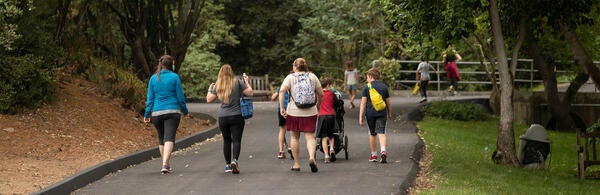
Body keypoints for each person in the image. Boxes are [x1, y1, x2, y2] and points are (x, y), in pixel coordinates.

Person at [144, 55, 190, 174]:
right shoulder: (175, 77)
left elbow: (150, 99)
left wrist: (147, 114)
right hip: (172, 111)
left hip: (157, 112)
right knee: (169, 137)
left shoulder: (153, 78)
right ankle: (165, 164)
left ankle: (165, 164)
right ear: (171, 65)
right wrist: (185, 111)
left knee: (161, 138)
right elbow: (180, 97)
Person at [206, 64, 253, 174]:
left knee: (227, 140)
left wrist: (209, 89)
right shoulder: (237, 82)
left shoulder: (218, 85)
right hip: (237, 116)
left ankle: (227, 165)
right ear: (231, 72)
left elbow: (209, 99)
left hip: (223, 117)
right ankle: (235, 161)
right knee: (236, 140)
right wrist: (246, 81)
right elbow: (250, 93)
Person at [279, 58, 323, 172]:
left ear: (295, 67)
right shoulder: (312, 77)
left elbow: (282, 91)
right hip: (310, 111)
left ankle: (297, 164)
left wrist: (282, 107)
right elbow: (321, 93)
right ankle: (312, 157)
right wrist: (318, 105)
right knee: (310, 137)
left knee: (294, 137)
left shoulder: (290, 77)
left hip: (293, 111)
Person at [359, 68, 391, 163]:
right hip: (382, 112)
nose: (366, 79)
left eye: (367, 77)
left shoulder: (366, 87)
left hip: (370, 114)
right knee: (381, 132)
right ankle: (383, 151)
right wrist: (389, 112)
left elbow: (363, 103)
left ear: (370, 76)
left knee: (372, 133)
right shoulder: (384, 87)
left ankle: (373, 155)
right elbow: (388, 102)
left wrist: (360, 117)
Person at [316, 78, 336, 163]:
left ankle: (326, 156)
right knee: (331, 135)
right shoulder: (331, 93)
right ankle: (331, 148)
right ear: (328, 85)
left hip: (322, 116)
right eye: (330, 85)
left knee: (324, 137)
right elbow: (335, 103)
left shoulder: (318, 94)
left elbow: (317, 104)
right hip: (331, 115)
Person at [271, 87, 292, 159]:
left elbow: (273, 97)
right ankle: (291, 147)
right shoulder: (294, 85)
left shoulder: (282, 87)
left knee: (282, 129)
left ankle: (280, 151)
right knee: (293, 130)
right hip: (291, 109)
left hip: (281, 109)